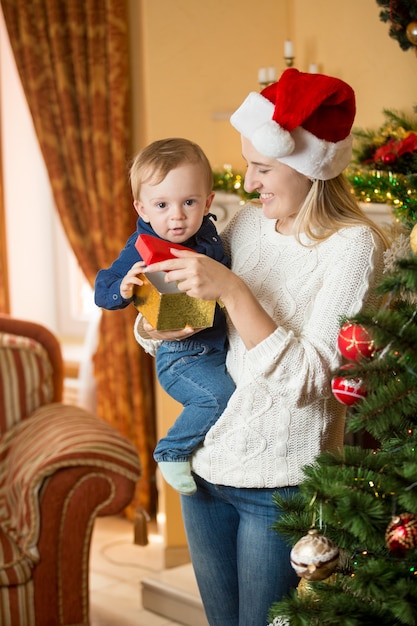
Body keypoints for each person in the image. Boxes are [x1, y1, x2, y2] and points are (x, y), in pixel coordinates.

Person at [133, 69, 390, 626]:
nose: (248, 184)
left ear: (309, 166)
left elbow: (313, 381)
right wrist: (154, 327)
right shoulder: (247, 226)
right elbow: (184, 317)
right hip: (206, 471)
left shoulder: (354, 248)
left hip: (281, 485)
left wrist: (232, 289)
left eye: (263, 167)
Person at [94, 137, 235, 496]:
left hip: (217, 347)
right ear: (142, 209)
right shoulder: (140, 246)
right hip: (182, 358)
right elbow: (103, 286)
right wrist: (122, 287)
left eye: (189, 202)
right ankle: (171, 450)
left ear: (207, 202)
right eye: (162, 204)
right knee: (219, 396)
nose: (176, 216)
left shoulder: (207, 232)